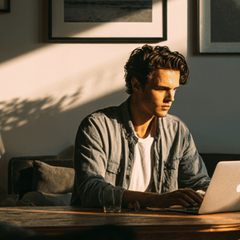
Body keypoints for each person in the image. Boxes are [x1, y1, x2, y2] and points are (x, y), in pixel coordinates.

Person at [72, 45, 210, 209]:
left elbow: (199, 183)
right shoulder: (97, 126)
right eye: (161, 89)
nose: (170, 98)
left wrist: (210, 194)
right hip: (106, 228)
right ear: (136, 85)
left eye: (174, 89)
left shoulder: (177, 130)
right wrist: (158, 200)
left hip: (161, 227)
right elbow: (91, 190)